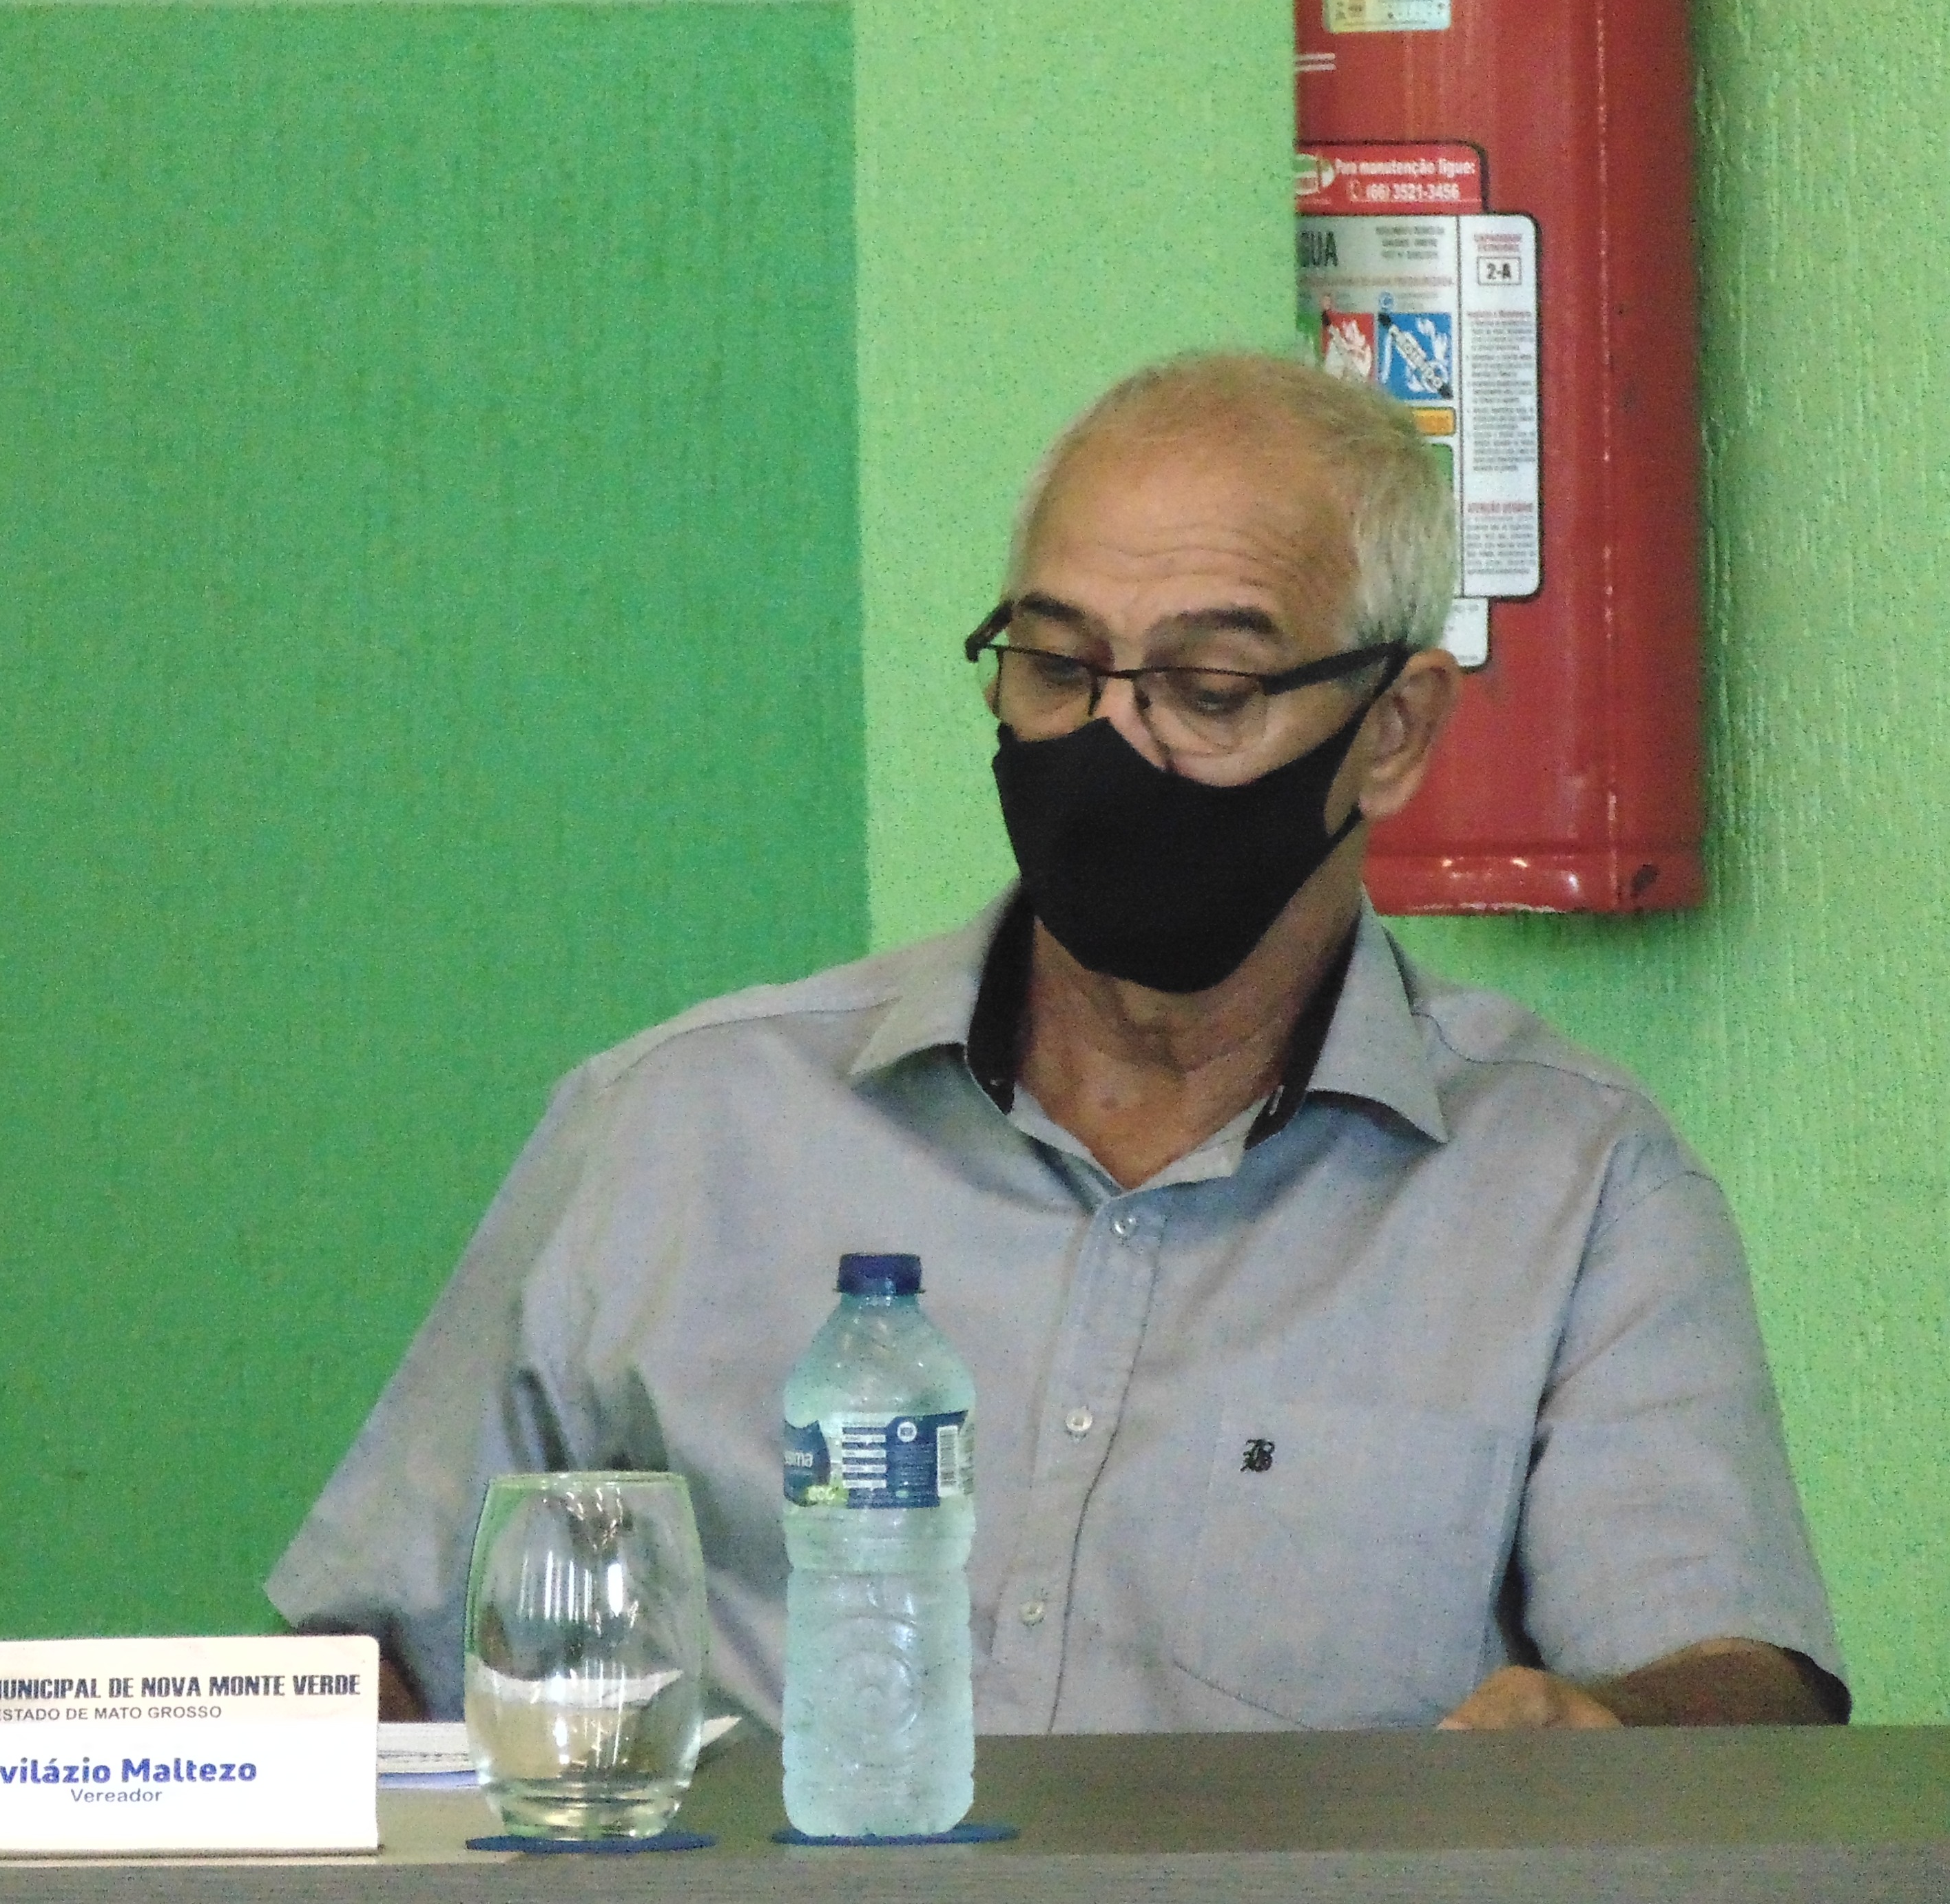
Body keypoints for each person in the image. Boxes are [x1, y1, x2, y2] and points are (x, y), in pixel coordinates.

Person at [269, 352, 1846, 1734]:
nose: (1109, 743)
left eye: (1206, 684)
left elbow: (1730, 1682)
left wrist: (1605, 1729)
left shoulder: (1569, 1187)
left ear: (1393, 730)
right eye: (1056, 666)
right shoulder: (676, 1124)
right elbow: (371, 1667)